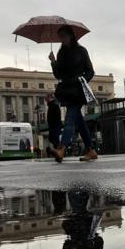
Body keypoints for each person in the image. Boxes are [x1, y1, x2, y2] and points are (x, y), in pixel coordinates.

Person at [49, 25, 98, 162]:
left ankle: (62, 148)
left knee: (70, 117)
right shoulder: (61, 54)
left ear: (71, 35)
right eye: (60, 37)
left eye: (63, 36)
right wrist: (53, 62)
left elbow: (90, 71)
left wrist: (81, 80)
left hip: (78, 91)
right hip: (66, 91)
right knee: (79, 122)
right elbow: (58, 74)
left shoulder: (81, 51)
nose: (62, 39)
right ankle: (91, 150)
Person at [45, 93, 63, 162]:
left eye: (46, 98)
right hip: (53, 125)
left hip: (55, 125)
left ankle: (59, 153)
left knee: (54, 138)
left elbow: (57, 116)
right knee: (52, 138)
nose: (45, 100)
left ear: (50, 98)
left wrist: (56, 124)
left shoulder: (54, 105)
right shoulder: (51, 105)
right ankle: (57, 151)